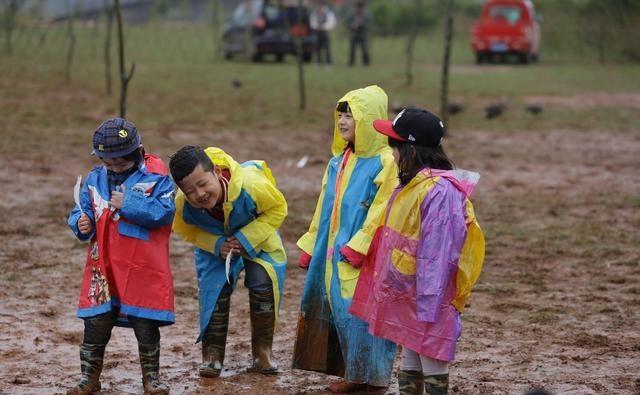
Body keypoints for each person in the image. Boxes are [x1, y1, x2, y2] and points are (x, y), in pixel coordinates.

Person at [349, 108, 486, 395]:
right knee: (411, 348)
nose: (392, 155)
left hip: (429, 294)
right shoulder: (413, 183)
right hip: (408, 289)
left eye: (395, 147)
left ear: (410, 150)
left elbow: (438, 252)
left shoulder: (440, 191)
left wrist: (429, 303)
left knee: (430, 352)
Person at [292, 85, 398, 393]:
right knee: (338, 306)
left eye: (351, 115)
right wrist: (312, 244)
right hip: (333, 250)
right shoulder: (337, 161)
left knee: (365, 310)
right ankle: (353, 372)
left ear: (370, 119)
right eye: (341, 114)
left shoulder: (385, 162)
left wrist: (360, 245)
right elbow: (323, 208)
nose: (343, 121)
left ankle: (374, 378)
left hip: (366, 254)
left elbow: (383, 209)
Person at [67, 118, 176, 395]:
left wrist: (128, 203)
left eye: (120, 164)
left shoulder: (158, 177)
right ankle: (89, 378)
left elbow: (164, 212)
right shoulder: (94, 178)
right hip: (102, 267)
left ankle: (151, 378)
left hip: (142, 268)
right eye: (108, 163)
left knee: (145, 322)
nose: (114, 168)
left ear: (139, 152)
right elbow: (82, 207)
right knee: (95, 323)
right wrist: (82, 221)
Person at [169, 145, 287, 378]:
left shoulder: (252, 186)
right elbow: (185, 230)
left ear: (217, 171)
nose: (199, 194)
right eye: (190, 191)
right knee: (214, 290)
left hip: (258, 235)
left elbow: (277, 209)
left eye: (203, 184)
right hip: (216, 245)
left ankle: (262, 353)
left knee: (263, 282)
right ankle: (212, 356)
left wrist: (246, 238)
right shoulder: (182, 205)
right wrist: (215, 244)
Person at [310, 0, 336, 65]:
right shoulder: (315, 13)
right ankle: (318, 61)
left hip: (325, 32)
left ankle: (328, 62)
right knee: (317, 48)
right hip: (318, 33)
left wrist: (322, 27)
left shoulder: (328, 13)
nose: (319, 6)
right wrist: (317, 26)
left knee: (327, 48)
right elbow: (313, 22)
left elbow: (331, 23)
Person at [347, 0, 370, 66]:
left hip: (362, 34)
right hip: (354, 34)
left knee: (364, 49)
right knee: (352, 49)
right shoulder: (352, 14)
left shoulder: (365, 15)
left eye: (360, 7)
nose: (359, 9)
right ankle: (351, 62)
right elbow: (348, 23)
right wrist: (353, 25)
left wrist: (362, 24)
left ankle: (366, 62)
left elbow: (368, 24)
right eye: (358, 7)